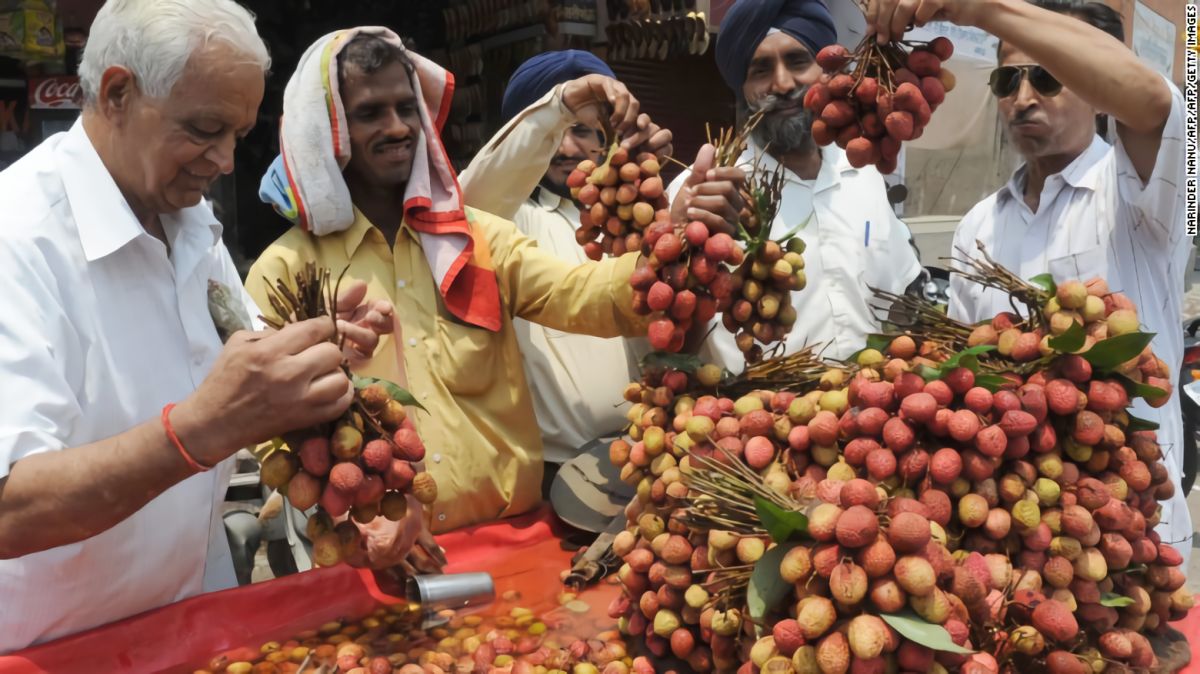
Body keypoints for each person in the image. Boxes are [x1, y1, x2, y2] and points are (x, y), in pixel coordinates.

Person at [0, 0, 390, 653]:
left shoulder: (191, 228)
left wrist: (308, 345)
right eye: (206, 128)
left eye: (238, 132)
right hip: (50, 647)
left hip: (187, 626)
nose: (227, 160)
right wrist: (201, 430)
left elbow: (241, 355)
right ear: (118, 92)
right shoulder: (17, 240)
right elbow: (12, 507)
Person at [246, 28, 690, 535]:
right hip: (372, 553)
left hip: (510, 543)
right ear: (331, 131)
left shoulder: (477, 238)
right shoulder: (285, 272)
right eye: (370, 113)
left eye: (406, 108)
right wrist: (354, 511)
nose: (397, 128)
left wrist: (679, 247)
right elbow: (265, 426)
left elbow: (581, 294)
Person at [868, 0, 1191, 561]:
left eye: (1047, 75)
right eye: (1006, 79)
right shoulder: (978, 225)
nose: (1022, 97)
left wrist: (984, 9)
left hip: (1128, 525)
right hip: (1009, 530)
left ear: (1095, 86)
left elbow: (1155, 105)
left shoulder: (1144, 193)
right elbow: (965, 376)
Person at [667, 0, 923, 368]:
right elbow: (672, 335)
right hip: (755, 415)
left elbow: (900, 296)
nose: (783, 83)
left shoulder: (862, 173)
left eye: (798, 61)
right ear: (742, 88)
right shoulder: (704, 193)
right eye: (761, 70)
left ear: (826, 72)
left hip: (871, 410)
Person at [459, 51, 672, 487]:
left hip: (650, 458)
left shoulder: (641, 218)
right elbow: (473, 197)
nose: (566, 149)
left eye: (581, 130)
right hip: (550, 478)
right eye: (551, 133)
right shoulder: (506, 219)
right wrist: (557, 107)